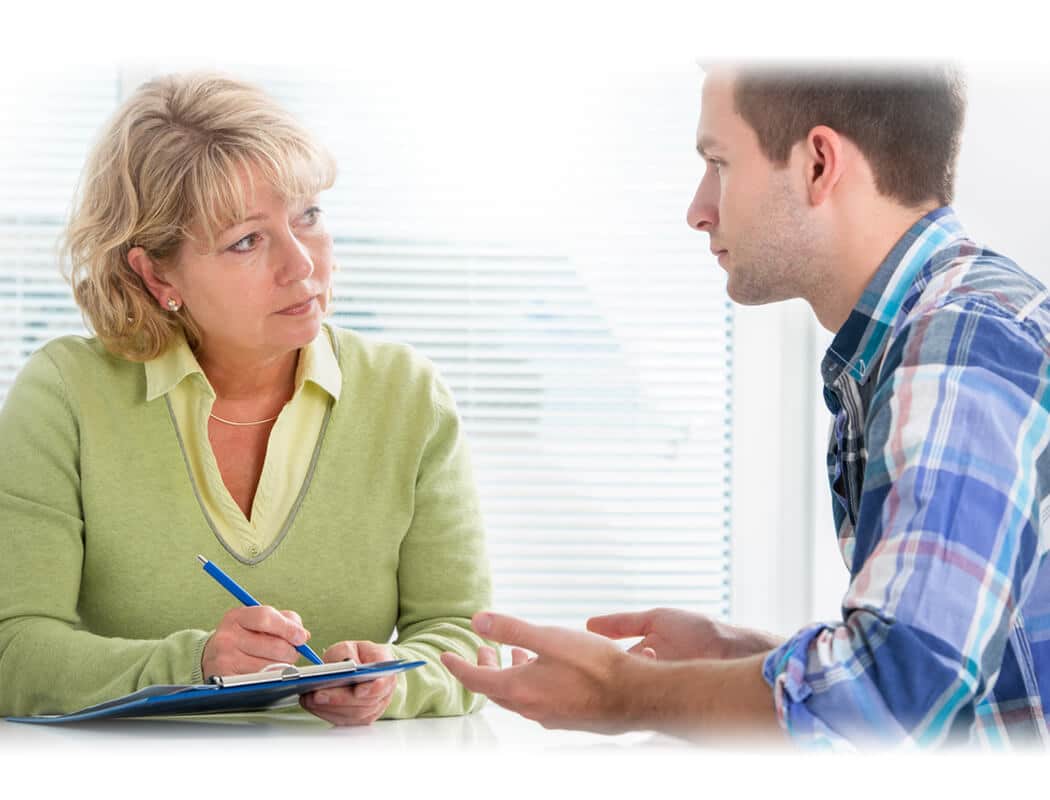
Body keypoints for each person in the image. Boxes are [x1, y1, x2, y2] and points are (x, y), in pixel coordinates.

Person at [441, 63, 1050, 748]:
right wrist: (736, 657)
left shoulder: (962, 342)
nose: (699, 209)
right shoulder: (919, 339)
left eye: (719, 164)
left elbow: (897, 695)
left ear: (819, 164)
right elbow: (954, 675)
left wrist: (623, 693)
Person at [0, 72, 493, 726]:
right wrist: (198, 664)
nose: (303, 266)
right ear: (155, 273)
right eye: (247, 241)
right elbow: (13, 652)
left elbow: (464, 635)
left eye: (308, 217)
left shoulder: (408, 395)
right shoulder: (65, 393)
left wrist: (391, 685)